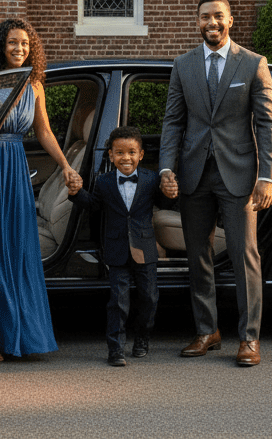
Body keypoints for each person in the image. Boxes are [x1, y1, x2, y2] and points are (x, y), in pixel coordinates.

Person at [159, 0, 272, 367]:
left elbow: (266, 123)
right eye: (205, 17)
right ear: (198, 22)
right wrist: (166, 168)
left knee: (245, 256)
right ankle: (207, 331)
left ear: (230, 20)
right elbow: (173, 121)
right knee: (198, 257)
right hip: (194, 175)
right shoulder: (183, 65)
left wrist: (267, 176)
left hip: (240, 175)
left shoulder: (253, 64)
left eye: (218, 17)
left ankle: (249, 337)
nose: (211, 23)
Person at [0, 17, 82, 362]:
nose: (19, 49)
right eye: (13, 43)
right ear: (1, 47)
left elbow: (44, 133)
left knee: (18, 250)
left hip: (15, 168)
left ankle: (20, 335)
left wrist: (65, 165)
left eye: (25, 44)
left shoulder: (34, 86)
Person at [67, 125, 163, 366]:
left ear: (141, 154)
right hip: (116, 249)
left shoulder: (152, 179)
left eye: (131, 152)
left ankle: (142, 337)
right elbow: (93, 204)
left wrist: (172, 192)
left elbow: (165, 202)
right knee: (118, 301)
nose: (126, 158)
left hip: (144, 247)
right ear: (111, 155)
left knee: (149, 297)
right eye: (119, 153)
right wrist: (77, 192)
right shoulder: (104, 182)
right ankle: (115, 348)